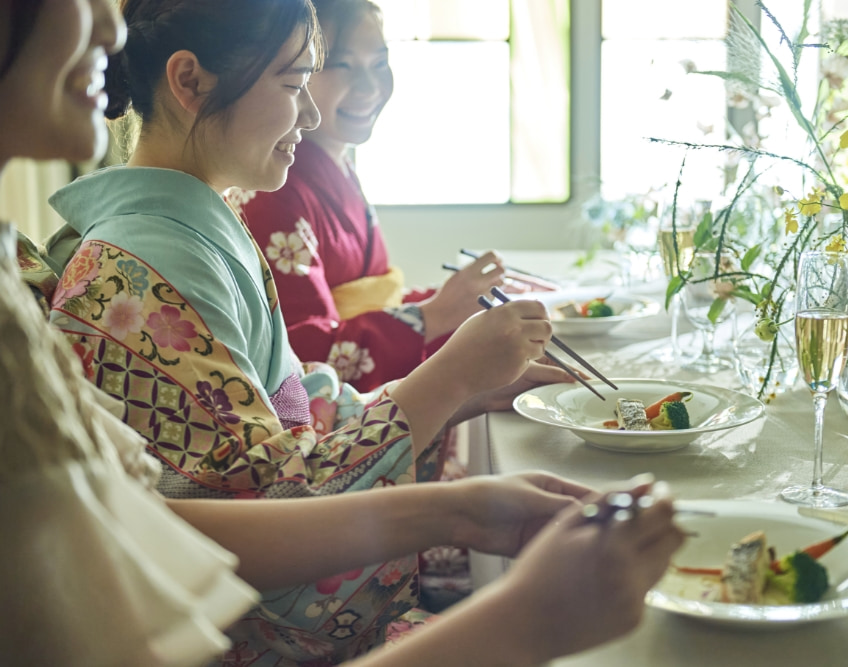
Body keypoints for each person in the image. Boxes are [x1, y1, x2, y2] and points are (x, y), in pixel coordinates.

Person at [0, 0, 685, 665]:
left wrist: (466, 398)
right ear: (188, 81)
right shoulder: (151, 259)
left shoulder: (199, 224)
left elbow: (286, 418)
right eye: (296, 81)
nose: (316, 110)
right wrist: (448, 386)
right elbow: (267, 508)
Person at [237, 0, 548, 393]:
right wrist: (433, 315)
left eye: (380, 63)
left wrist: (461, 301)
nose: (370, 86)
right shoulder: (276, 191)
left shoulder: (339, 165)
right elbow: (304, 359)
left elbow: (373, 301)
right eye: (343, 65)